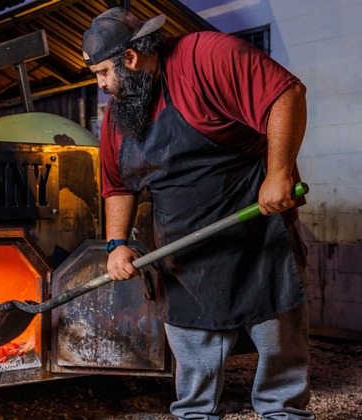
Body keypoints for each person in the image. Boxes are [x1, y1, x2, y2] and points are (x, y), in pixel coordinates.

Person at [82, 8, 313, 420]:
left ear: (130, 58)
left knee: (278, 339)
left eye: (102, 73)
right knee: (192, 349)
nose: (100, 85)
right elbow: (118, 185)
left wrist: (278, 174)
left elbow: (286, 94)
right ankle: (195, 415)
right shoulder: (120, 115)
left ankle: (283, 413)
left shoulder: (205, 57)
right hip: (183, 245)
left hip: (254, 229)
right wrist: (116, 243)